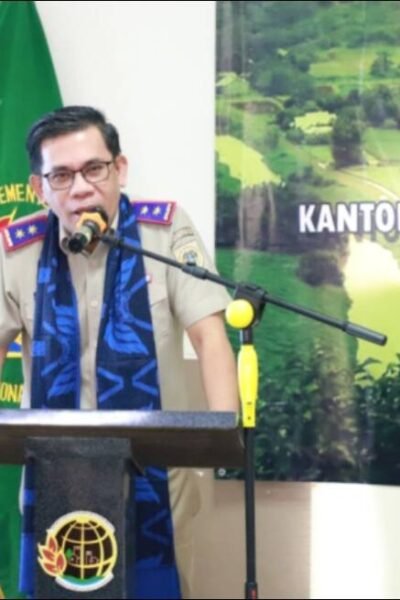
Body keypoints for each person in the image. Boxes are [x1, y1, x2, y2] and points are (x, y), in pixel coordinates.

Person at [0, 106, 239, 599]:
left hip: (157, 478)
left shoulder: (163, 233)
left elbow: (209, 336)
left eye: (94, 169)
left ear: (120, 168)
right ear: (39, 188)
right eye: (61, 176)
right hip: (55, 477)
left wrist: (223, 437)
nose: (81, 188)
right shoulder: (17, 252)